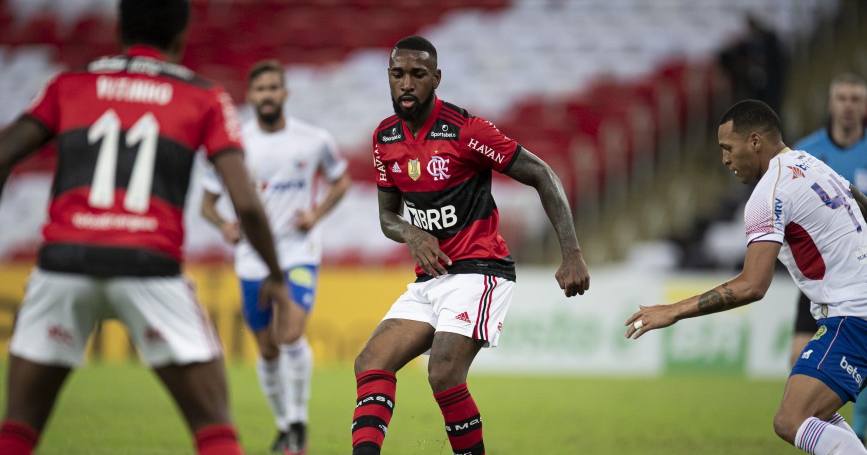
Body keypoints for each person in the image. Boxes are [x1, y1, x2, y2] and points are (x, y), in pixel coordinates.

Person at [0, 1, 293, 454]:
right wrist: (275, 274)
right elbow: (247, 203)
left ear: (120, 30)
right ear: (182, 36)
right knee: (215, 431)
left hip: (63, 264)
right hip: (148, 264)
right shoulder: (203, 96)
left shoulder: (69, 84)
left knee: (17, 430)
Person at [350, 35, 590, 455]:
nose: (406, 83)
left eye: (417, 74)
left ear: (436, 78)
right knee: (370, 362)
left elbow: (542, 174)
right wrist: (411, 233)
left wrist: (571, 252)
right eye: (398, 73)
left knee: (443, 371)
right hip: (431, 278)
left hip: (480, 271)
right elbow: (388, 218)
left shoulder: (465, 130)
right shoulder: (384, 138)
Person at [625, 99, 867, 454]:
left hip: (854, 315)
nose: (725, 159)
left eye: (728, 148)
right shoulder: (812, 164)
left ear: (755, 141)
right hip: (854, 309)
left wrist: (673, 310)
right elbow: (858, 201)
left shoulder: (768, 193)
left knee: (791, 420)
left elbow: (752, 286)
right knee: (814, 412)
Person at [200, 59, 351, 455]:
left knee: (291, 334)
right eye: (260, 89)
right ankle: (284, 425)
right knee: (267, 349)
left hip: (298, 252)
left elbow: (341, 180)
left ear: (285, 93)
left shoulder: (314, 140)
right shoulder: (235, 145)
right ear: (250, 96)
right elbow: (206, 204)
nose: (267, 95)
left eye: (273, 88)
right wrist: (223, 225)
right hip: (252, 258)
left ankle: (298, 422)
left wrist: (316, 214)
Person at [790, 72, 867, 441]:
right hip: (819, 277)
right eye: (842, 98)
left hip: (861, 279)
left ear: (864, 106)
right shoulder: (806, 153)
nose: (848, 106)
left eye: (855, 99)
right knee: (798, 359)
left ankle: (856, 437)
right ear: (830, 103)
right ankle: (837, 440)